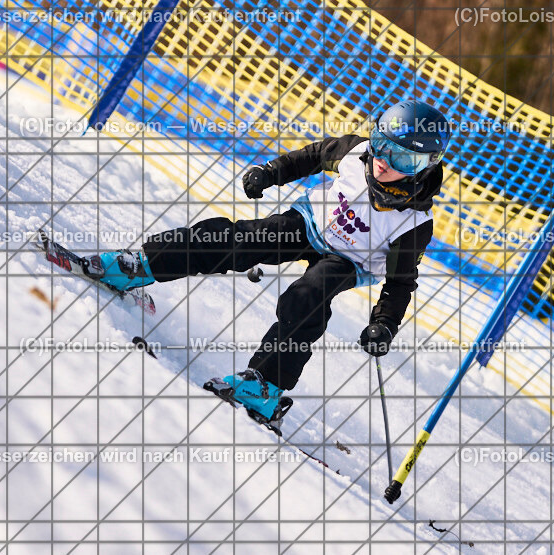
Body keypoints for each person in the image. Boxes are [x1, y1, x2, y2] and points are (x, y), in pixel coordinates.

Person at [82, 100, 450, 428]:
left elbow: (400, 282)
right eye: (383, 145)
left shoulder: (414, 223)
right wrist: (271, 173)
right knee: (237, 240)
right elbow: (313, 155)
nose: (384, 162)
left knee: (307, 297)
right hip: (308, 223)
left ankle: (265, 386)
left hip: (348, 259)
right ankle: (142, 265)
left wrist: (384, 324)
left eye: (404, 159)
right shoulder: (357, 151)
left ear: (424, 166)